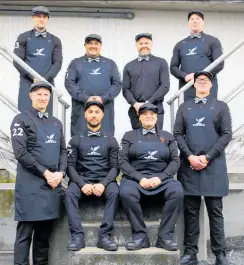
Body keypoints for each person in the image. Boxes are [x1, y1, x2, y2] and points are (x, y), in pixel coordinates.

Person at [173, 71, 232, 265]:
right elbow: (178, 133)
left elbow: (226, 134)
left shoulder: (221, 106)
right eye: (199, 80)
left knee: (215, 211)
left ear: (211, 84)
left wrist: (207, 157)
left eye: (206, 79)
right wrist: (190, 156)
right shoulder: (184, 107)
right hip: (189, 165)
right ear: (194, 84)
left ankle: (220, 254)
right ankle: (190, 253)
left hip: (213, 165)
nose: (202, 82)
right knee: (191, 211)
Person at [10, 81, 67, 265]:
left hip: (51, 188)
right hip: (30, 186)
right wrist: (46, 173)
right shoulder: (21, 119)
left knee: (43, 238)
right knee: (25, 234)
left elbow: (63, 151)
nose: (43, 98)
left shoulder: (56, 123)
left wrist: (61, 173)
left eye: (46, 95)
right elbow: (21, 153)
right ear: (31, 96)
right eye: (39, 94)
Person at [119, 103, 183, 251]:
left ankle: (165, 237)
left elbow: (175, 161)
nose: (148, 117)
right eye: (145, 114)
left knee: (177, 191)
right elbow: (122, 161)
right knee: (126, 193)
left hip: (162, 180)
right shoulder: (129, 136)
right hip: (135, 180)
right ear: (139, 117)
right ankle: (140, 236)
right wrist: (139, 178)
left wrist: (160, 178)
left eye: (152, 114)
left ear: (157, 117)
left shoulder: (167, 136)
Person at [65, 100, 120, 251]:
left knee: (115, 191)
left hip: (104, 181)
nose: (93, 115)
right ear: (85, 115)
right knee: (69, 193)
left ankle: (104, 236)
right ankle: (77, 236)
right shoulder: (75, 139)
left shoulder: (111, 140)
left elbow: (115, 167)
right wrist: (83, 184)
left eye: (97, 112)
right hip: (82, 180)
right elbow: (70, 167)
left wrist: (103, 183)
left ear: (102, 115)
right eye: (90, 112)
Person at [65, 34, 121, 137]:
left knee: (105, 141)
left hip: (105, 109)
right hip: (81, 110)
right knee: (79, 140)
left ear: (100, 46)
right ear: (85, 45)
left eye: (96, 43)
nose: (93, 46)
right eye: (90, 43)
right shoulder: (75, 63)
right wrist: (86, 98)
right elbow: (69, 83)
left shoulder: (110, 64)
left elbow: (117, 84)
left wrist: (103, 98)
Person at [13, 6, 63, 114]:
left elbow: (57, 63)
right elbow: (17, 61)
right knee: (26, 117)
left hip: (47, 85)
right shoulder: (23, 37)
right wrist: (33, 77)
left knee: (45, 119)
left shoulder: (55, 40)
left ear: (47, 19)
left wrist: (44, 79)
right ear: (33, 17)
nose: (41, 19)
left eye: (44, 17)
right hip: (27, 85)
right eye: (38, 16)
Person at [170, 11, 224, 101]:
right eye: (192, 19)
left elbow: (219, 64)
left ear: (203, 22)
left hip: (208, 88)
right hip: (187, 88)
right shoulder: (180, 45)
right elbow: (173, 67)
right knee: (188, 114)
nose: (195, 21)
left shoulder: (212, 41)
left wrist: (200, 76)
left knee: (209, 113)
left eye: (198, 19)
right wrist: (185, 76)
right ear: (189, 23)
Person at [123, 33, 170, 130]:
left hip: (155, 109)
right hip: (136, 111)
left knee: (155, 141)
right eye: (141, 43)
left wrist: (148, 103)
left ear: (151, 44)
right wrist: (135, 104)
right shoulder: (129, 66)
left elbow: (165, 86)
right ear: (136, 45)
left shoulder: (161, 63)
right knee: (138, 141)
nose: (144, 46)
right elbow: (125, 89)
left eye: (146, 43)